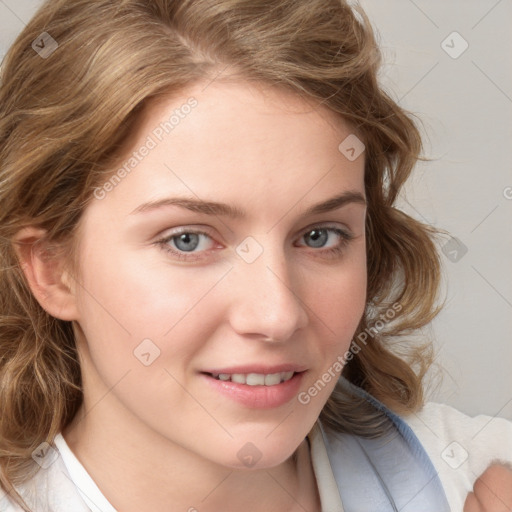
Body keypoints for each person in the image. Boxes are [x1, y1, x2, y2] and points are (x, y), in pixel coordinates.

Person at [0, 0, 511, 511]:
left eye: (319, 236)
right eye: (189, 240)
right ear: (52, 270)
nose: (277, 315)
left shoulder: (478, 476)